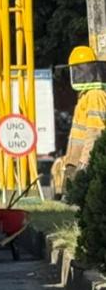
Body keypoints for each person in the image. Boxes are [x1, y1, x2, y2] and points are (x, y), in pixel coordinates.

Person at [51, 46, 106, 198]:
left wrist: (83, 165)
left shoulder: (95, 95)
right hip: (76, 162)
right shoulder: (85, 96)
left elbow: (95, 133)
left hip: (85, 164)